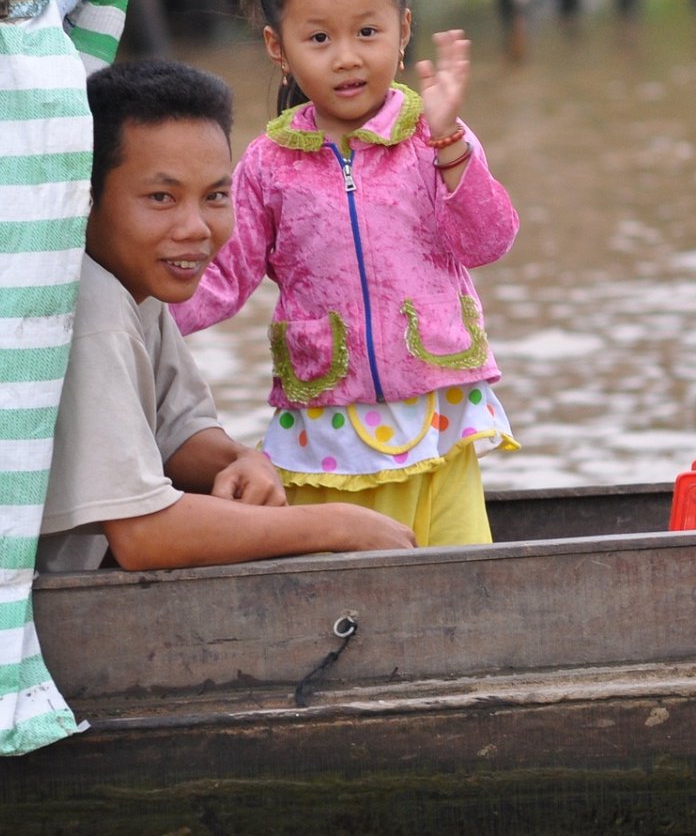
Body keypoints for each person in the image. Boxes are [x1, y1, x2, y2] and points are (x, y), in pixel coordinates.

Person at [170, 0, 519, 548]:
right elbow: (224, 277)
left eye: (367, 31)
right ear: (280, 49)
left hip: (435, 411)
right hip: (324, 423)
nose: (348, 56)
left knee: (459, 569)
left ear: (403, 30)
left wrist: (449, 144)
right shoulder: (267, 165)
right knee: (336, 574)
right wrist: (135, 313)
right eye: (319, 38)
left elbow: (487, 241)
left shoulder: (432, 138)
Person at [36, 59, 416, 573]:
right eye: (161, 198)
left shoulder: (138, 288)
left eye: (215, 195)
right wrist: (339, 525)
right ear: (85, 197)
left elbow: (178, 433)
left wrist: (240, 459)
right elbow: (146, 535)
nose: (195, 228)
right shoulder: (91, 309)